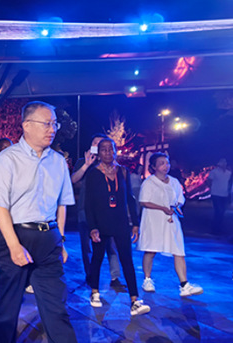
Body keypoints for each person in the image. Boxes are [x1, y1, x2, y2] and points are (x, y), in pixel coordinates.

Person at [0, 101, 101, 343]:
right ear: (26, 126)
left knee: (57, 311)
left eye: (54, 124)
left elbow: (62, 203)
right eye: (46, 123)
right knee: (8, 305)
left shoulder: (58, 162)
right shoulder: (8, 159)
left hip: (48, 238)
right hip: (15, 235)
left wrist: (60, 240)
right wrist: (13, 246)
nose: (52, 129)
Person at [84, 138, 150, 316]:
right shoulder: (93, 174)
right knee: (97, 257)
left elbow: (130, 198)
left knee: (127, 259)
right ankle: (95, 292)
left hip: (120, 222)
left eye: (111, 149)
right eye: (104, 149)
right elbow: (88, 203)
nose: (108, 152)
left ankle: (134, 300)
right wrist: (92, 227)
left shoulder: (123, 171)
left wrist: (135, 223)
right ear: (99, 153)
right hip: (100, 222)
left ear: (115, 151)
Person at [137, 152, 203, 297]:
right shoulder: (149, 182)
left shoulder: (174, 181)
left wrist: (177, 206)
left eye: (166, 163)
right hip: (154, 220)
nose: (165, 166)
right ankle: (147, 279)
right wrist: (162, 208)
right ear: (153, 167)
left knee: (178, 250)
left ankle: (184, 285)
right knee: (151, 250)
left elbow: (180, 198)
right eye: (161, 163)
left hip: (171, 220)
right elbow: (143, 201)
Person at [70, 134, 121, 285]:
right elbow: (73, 180)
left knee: (111, 244)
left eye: (101, 144)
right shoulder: (83, 162)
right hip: (85, 209)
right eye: (94, 143)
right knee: (87, 245)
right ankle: (90, 274)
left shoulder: (111, 164)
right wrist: (87, 164)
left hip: (107, 211)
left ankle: (115, 277)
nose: (97, 146)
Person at [207, 158, 231, 235]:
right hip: (216, 194)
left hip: (224, 194)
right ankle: (215, 229)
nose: (224, 164)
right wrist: (211, 189)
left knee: (222, 211)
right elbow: (209, 181)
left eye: (225, 162)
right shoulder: (214, 172)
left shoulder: (228, 173)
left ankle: (218, 228)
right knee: (218, 211)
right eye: (222, 162)